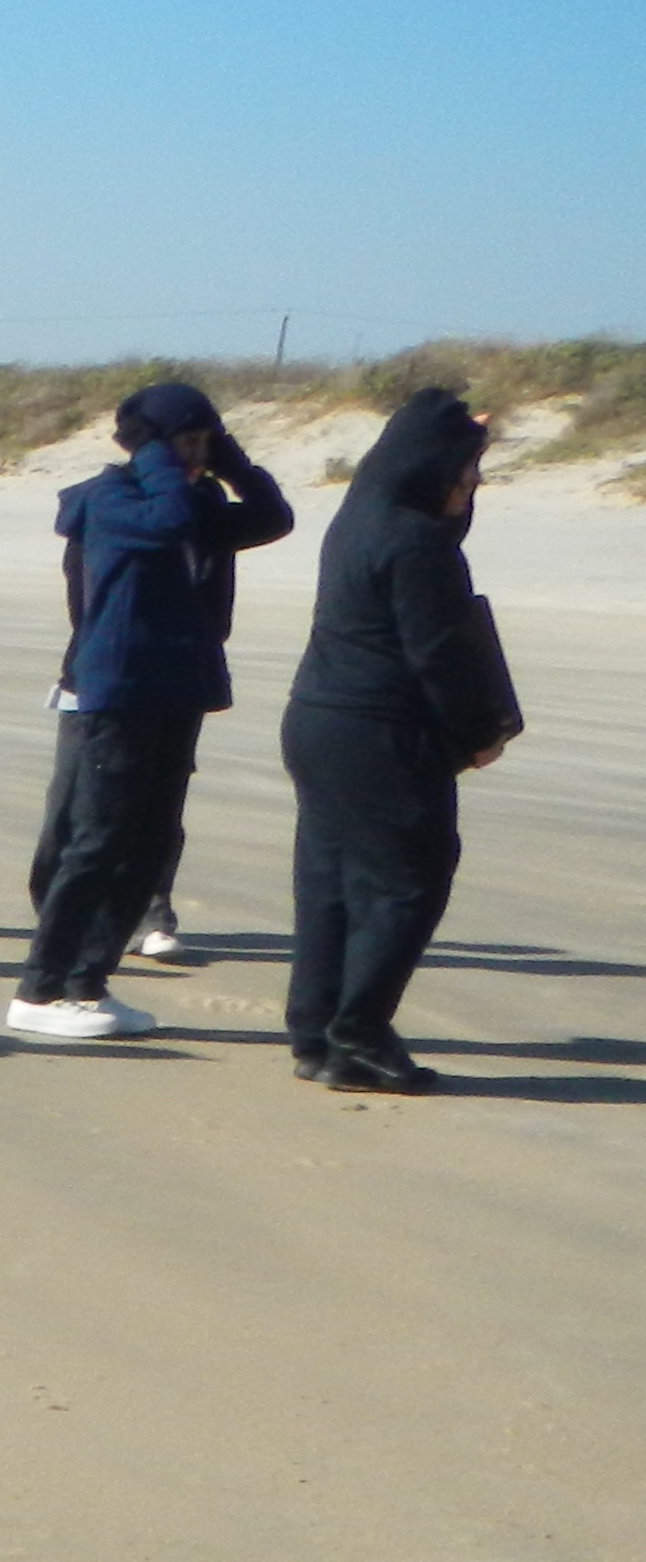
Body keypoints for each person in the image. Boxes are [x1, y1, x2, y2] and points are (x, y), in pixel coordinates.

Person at [8, 381, 293, 1041]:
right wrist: (156, 456)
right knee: (96, 839)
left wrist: (233, 463)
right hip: (118, 691)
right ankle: (39, 988)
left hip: (179, 690)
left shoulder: (196, 499)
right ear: (150, 445)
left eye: (204, 443)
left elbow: (273, 520)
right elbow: (165, 524)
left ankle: (86, 983)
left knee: (151, 840)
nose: (197, 457)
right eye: (187, 442)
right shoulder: (111, 499)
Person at [280, 386, 521, 1092]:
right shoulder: (415, 544)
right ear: (432, 473)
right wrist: (481, 733)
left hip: (316, 722)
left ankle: (317, 1032)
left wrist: (466, 445)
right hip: (379, 732)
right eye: (467, 473)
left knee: (329, 883)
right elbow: (439, 652)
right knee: (408, 881)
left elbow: (435, 520)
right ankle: (357, 1037)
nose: (473, 483)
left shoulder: (360, 516)